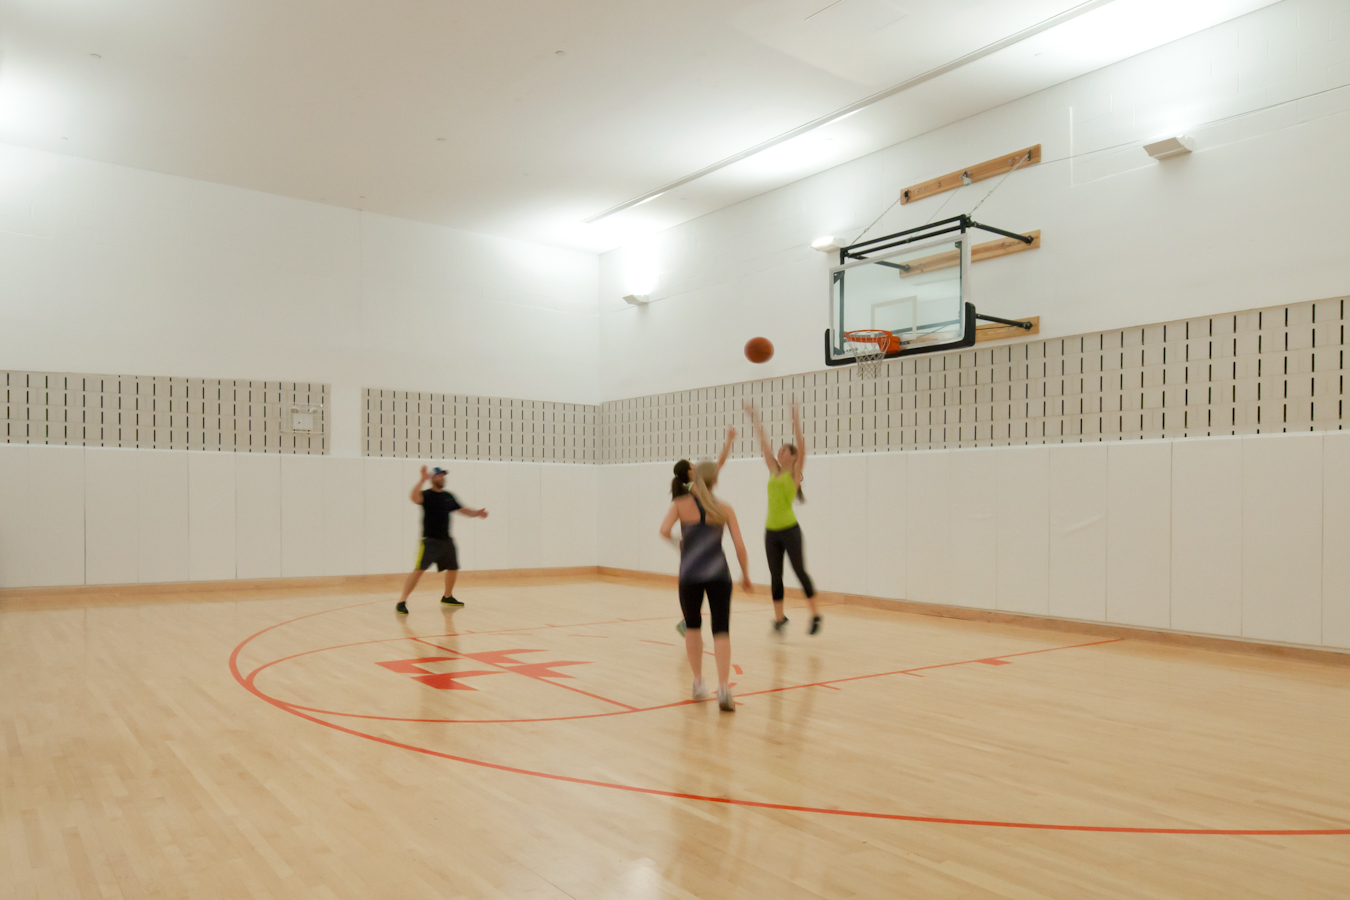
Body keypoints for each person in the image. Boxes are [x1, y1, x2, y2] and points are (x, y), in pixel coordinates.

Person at [659, 460, 752, 712]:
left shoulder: (680, 505)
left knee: (692, 626)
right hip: (719, 575)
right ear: (715, 481)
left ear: (695, 478)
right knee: (721, 630)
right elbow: (740, 546)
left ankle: (699, 683)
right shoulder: (724, 508)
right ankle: (723, 688)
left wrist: (681, 542)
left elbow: (664, 530)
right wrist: (745, 575)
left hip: (689, 575)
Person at [744, 399, 821, 636]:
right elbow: (764, 444)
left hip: (790, 530)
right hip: (771, 532)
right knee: (775, 577)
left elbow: (802, 447)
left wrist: (795, 419)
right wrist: (754, 417)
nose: (779, 452)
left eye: (784, 450)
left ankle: (815, 614)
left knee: (799, 572)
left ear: (793, 457)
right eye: (779, 451)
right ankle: (780, 619)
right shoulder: (774, 470)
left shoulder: (794, 474)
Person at [395, 466, 488, 614]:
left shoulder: (448, 496)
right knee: (419, 570)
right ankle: (402, 601)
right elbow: (414, 498)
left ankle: (447, 596)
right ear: (432, 479)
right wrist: (421, 480)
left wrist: (477, 513)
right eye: (439, 476)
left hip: (446, 540)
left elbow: (462, 509)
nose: (442, 478)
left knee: (453, 568)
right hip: (430, 541)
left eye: (443, 476)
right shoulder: (426, 495)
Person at [673, 427, 736, 636]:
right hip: (704, 552)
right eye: (692, 466)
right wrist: (729, 441)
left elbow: (719, 464)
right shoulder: (694, 489)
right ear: (691, 473)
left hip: (693, 551)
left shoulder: (688, 491)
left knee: (693, 584)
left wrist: (728, 442)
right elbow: (719, 464)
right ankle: (689, 622)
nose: (695, 466)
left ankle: (688, 621)